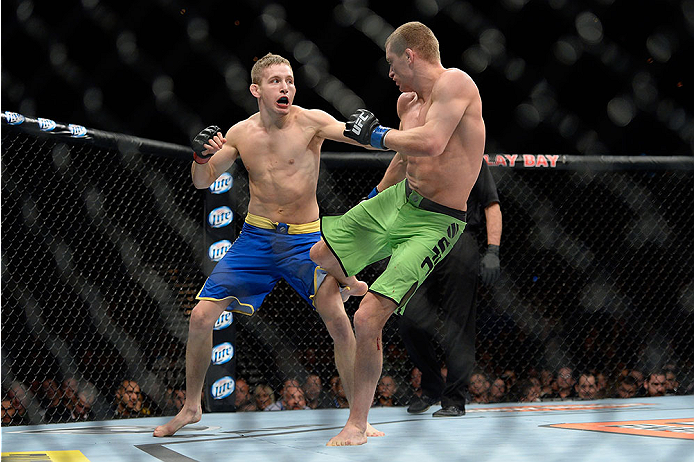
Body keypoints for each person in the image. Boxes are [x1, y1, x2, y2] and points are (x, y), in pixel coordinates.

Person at [154, 53, 380, 437]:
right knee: (199, 317)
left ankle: (359, 417)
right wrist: (199, 156)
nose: (286, 87)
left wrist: (372, 130)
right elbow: (202, 180)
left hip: (306, 240)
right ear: (257, 89)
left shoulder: (312, 121)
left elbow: (363, 138)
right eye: (276, 80)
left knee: (339, 321)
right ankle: (192, 407)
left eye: (290, 80)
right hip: (256, 239)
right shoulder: (241, 133)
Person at [310, 22, 486, 445]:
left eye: (391, 63)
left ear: (410, 55)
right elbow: (405, 159)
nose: (389, 74)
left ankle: (356, 424)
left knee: (367, 318)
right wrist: (372, 200)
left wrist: (373, 134)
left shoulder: (456, 83)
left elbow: (430, 143)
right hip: (399, 199)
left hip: (437, 220)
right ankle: (356, 280)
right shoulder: (407, 101)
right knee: (320, 255)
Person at [397, 160, 501, 417]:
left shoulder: (472, 155)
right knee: (408, 316)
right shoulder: (419, 155)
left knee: (459, 322)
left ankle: (454, 398)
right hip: (422, 239)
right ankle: (432, 386)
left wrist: (493, 250)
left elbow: (492, 204)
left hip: (460, 237)